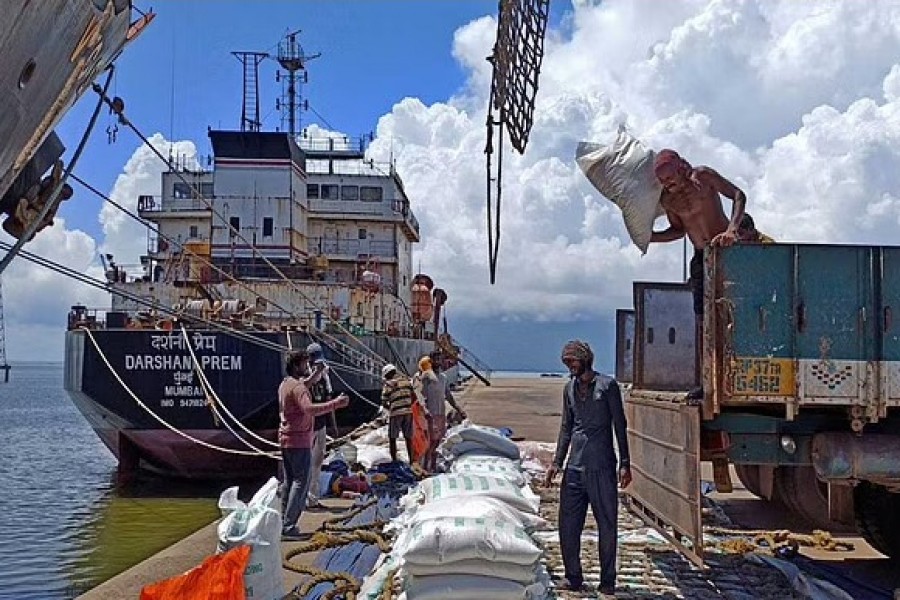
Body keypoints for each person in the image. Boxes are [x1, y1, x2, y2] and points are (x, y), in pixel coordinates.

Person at [649, 149, 761, 398]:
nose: (669, 185)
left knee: (737, 314)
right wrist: (652, 237)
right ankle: (706, 381)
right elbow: (678, 231)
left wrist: (732, 230)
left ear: (681, 169)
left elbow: (738, 195)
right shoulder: (669, 201)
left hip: (726, 251)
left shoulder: (704, 177)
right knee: (703, 320)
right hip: (702, 257)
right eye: (664, 182)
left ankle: (743, 375)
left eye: (670, 178)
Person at [544, 340, 631, 597]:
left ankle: (607, 581)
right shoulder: (568, 389)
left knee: (607, 525)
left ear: (585, 359)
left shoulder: (608, 386)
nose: (569, 366)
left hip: (602, 467)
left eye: (572, 361)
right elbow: (565, 428)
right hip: (574, 468)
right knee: (568, 525)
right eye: (566, 362)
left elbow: (620, 425)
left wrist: (625, 463)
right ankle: (573, 577)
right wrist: (556, 463)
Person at [278, 350, 349, 539]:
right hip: (299, 440)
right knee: (301, 482)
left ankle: (283, 522)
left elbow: (302, 385)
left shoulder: (286, 384)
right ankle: (289, 526)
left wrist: (317, 374)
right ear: (296, 366)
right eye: (304, 364)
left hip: (286, 438)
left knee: (289, 482)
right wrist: (336, 403)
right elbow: (308, 409)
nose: (306, 367)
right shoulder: (298, 389)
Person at [418, 353, 467, 471]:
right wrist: (424, 410)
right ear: (431, 361)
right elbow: (420, 394)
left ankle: (433, 466)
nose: (437, 361)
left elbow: (448, 395)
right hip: (430, 414)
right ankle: (425, 467)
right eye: (435, 359)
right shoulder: (426, 377)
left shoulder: (443, 378)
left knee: (438, 442)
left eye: (439, 359)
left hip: (441, 413)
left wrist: (458, 408)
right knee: (430, 441)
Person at [304, 342, 335, 510]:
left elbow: (328, 399)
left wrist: (333, 424)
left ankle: (313, 499)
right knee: (306, 463)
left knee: (317, 463)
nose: (319, 366)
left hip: (321, 424)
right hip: (308, 427)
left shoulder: (325, 376)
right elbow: (303, 390)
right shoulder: (304, 377)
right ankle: (304, 499)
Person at [381, 363, 419, 463]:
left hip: (396, 413)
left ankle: (394, 461)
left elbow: (384, 401)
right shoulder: (406, 381)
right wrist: (408, 405)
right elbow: (414, 396)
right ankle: (412, 461)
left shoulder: (388, 384)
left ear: (388, 374)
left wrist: (391, 408)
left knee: (392, 438)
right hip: (408, 412)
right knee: (408, 438)